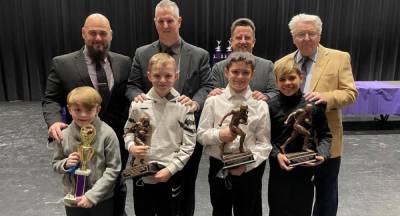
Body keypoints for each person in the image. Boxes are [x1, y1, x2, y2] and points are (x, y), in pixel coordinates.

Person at [125, 0, 213, 215]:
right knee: (146, 196)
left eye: (170, 20)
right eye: (161, 21)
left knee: (185, 187)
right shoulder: (142, 53)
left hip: (183, 133)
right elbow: (132, 85)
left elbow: (208, 86)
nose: (165, 25)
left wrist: (195, 102)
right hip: (149, 136)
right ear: (155, 23)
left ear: (179, 21)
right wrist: (138, 99)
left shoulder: (199, 54)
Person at [42, 13, 131, 216]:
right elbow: (51, 99)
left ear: (111, 35)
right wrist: (54, 122)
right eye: (92, 33)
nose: (98, 38)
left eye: (102, 33)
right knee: (82, 183)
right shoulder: (62, 63)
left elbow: (128, 96)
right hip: (78, 140)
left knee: (117, 184)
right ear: (83, 33)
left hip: (115, 139)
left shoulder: (124, 62)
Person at [274, 13, 358, 216]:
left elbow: (350, 93)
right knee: (296, 195)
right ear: (293, 37)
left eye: (312, 33)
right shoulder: (280, 64)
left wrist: (326, 97)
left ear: (319, 35)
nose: (307, 38)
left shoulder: (340, 58)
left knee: (326, 196)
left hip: (325, 140)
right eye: (301, 34)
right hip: (294, 143)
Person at [197, 51, 272, 216]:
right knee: (220, 209)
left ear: (252, 74)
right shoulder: (213, 102)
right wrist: (219, 135)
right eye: (235, 72)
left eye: (245, 72)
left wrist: (247, 165)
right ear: (226, 72)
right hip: (219, 165)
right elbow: (201, 135)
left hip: (248, 168)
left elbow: (264, 144)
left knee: (246, 211)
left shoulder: (260, 105)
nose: (240, 76)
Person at [124, 53, 196, 216]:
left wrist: (171, 169)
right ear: (148, 76)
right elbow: (128, 132)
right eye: (157, 75)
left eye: (168, 76)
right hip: (141, 172)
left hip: (169, 173)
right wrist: (131, 146)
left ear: (176, 76)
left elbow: (189, 145)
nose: (162, 80)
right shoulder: (138, 104)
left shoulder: (185, 106)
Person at [267, 67, 332, 216]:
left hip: (305, 169)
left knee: (302, 210)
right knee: (277, 210)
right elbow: (264, 139)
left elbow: (325, 135)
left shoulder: (314, 105)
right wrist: (276, 154)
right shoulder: (270, 106)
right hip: (279, 169)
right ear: (276, 83)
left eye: (292, 78)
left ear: (301, 78)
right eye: (282, 80)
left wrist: (322, 153)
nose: (287, 83)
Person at [52, 86, 121, 216]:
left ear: (98, 110)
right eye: (77, 110)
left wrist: (93, 196)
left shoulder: (107, 134)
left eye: (89, 110)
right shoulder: (64, 135)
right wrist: (66, 164)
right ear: (69, 110)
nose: (83, 114)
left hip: (101, 199)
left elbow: (113, 169)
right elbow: (56, 164)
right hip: (73, 199)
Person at [209, 18, 278, 101]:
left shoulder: (267, 66)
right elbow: (212, 94)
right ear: (231, 42)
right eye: (238, 37)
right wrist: (214, 93)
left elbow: (275, 93)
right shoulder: (218, 68)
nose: (243, 41)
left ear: (253, 42)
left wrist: (266, 96)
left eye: (247, 38)